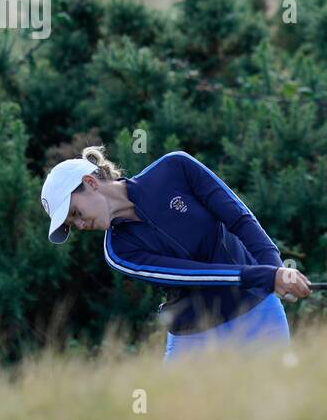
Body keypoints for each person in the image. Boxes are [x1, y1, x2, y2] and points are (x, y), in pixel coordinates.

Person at [39, 146, 311, 359]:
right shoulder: (118, 251)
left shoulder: (174, 169)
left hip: (258, 312)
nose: (80, 225)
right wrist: (267, 275)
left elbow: (239, 219)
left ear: (91, 182)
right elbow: (194, 275)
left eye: (76, 213)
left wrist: (277, 270)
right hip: (194, 338)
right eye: (72, 225)